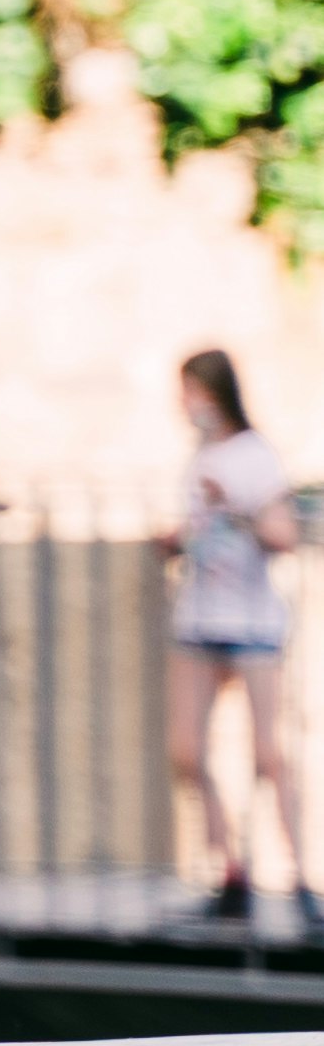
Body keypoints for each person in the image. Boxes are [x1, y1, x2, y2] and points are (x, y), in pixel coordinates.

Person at [177, 346, 305, 929]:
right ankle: (228, 871)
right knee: (187, 750)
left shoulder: (255, 457)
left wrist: (234, 508)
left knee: (269, 755)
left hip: (252, 623)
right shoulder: (194, 458)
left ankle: (302, 877)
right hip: (200, 619)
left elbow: (282, 534)